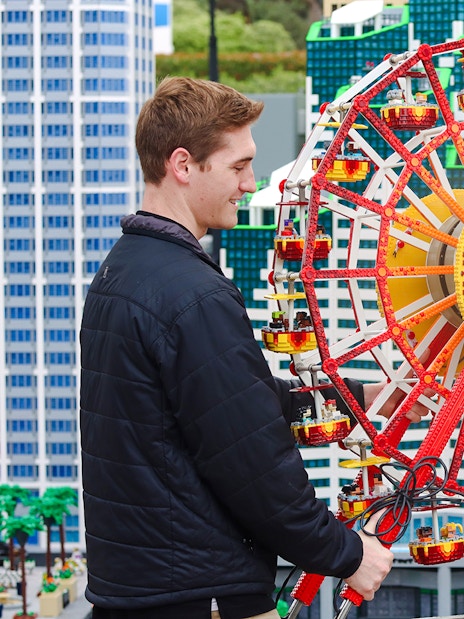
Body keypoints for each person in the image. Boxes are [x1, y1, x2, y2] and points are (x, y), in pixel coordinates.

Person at [80, 77, 422, 619]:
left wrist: (366, 395)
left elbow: (227, 409)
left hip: (140, 588)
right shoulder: (192, 294)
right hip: (200, 593)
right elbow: (251, 461)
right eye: (238, 166)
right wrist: (346, 553)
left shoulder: (121, 274)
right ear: (184, 165)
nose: (251, 183)